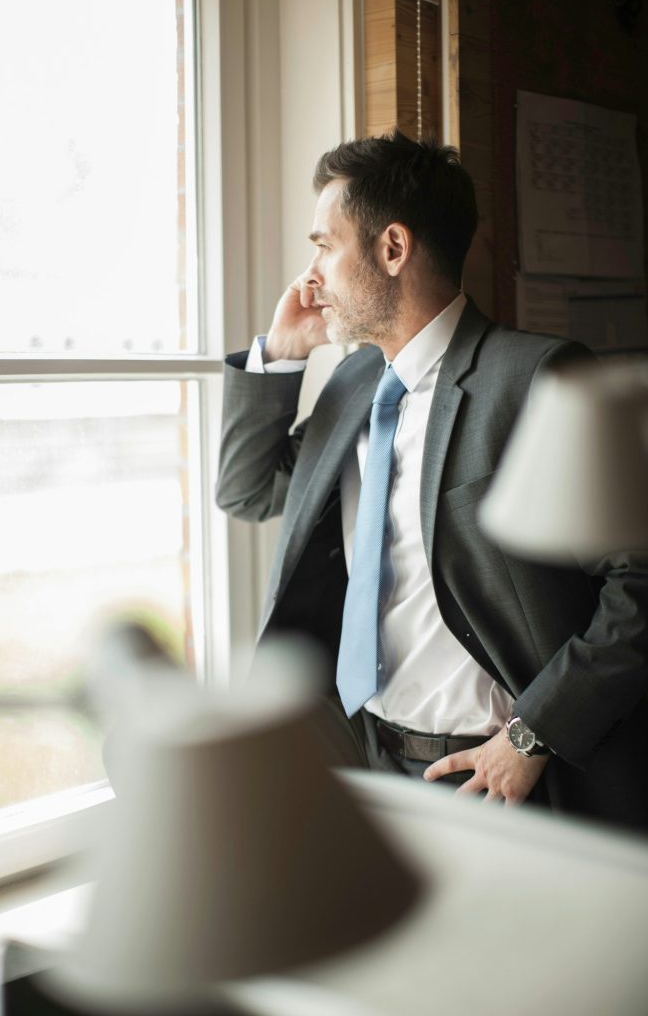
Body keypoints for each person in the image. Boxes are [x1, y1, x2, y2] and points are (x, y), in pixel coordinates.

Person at [215, 130, 648, 833]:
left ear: (392, 248)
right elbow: (248, 490)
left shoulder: (538, 377)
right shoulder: (355, 382)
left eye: (325, 245)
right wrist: (281, 355)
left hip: (501, 780)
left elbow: (640, 581)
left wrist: (532, 735)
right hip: (364, 762)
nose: (311, 273)